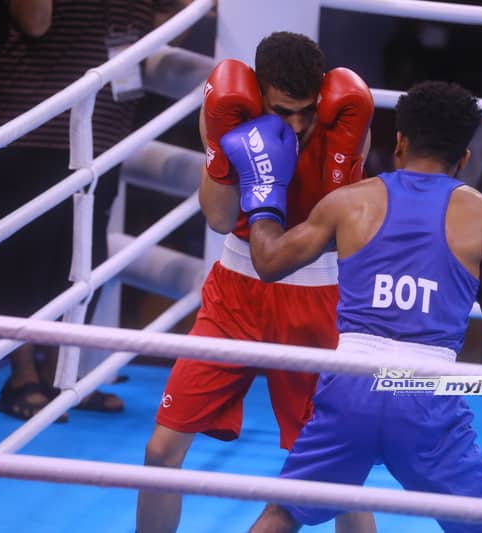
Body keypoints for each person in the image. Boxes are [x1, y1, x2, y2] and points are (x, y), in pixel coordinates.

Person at [227, 80, 482, 532]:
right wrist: (472, 274)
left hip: (351, 384)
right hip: (427, 393)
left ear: (400, 142)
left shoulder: (351, 202)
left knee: (283, 513)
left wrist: (263, 194)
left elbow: (269, 262)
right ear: (464, 158)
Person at [136, 31, 376, 533]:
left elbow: (347, 231)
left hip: (316, 297)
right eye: (283, 110)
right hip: (235, 294)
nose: (296, 123)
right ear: (258, 91)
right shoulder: (228, 111)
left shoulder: (345, 119)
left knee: (339, 477)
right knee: (161, 451)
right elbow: (220, 219)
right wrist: (233, 156)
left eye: (305, 110)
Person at [0, 0, 190, 422]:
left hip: (104, 134)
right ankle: (21, 378)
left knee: (84, 263)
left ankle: (60, 378)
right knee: (25, 261)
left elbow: (168, 23)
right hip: (38, 128)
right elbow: (34, 22)